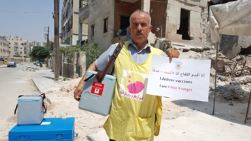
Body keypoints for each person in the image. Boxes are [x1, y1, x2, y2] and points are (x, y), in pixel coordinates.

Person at [74, 10, 179, 141]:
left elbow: (174, 81)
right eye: (135, 25)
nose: (139, 28)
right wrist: (81, 83)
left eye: (143, 24)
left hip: (143, 128)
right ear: (130, 29)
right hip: (119, 126)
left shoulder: (159, 56)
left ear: (150, 29)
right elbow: (95, 65)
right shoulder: (117, 50)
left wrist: (173, 57)